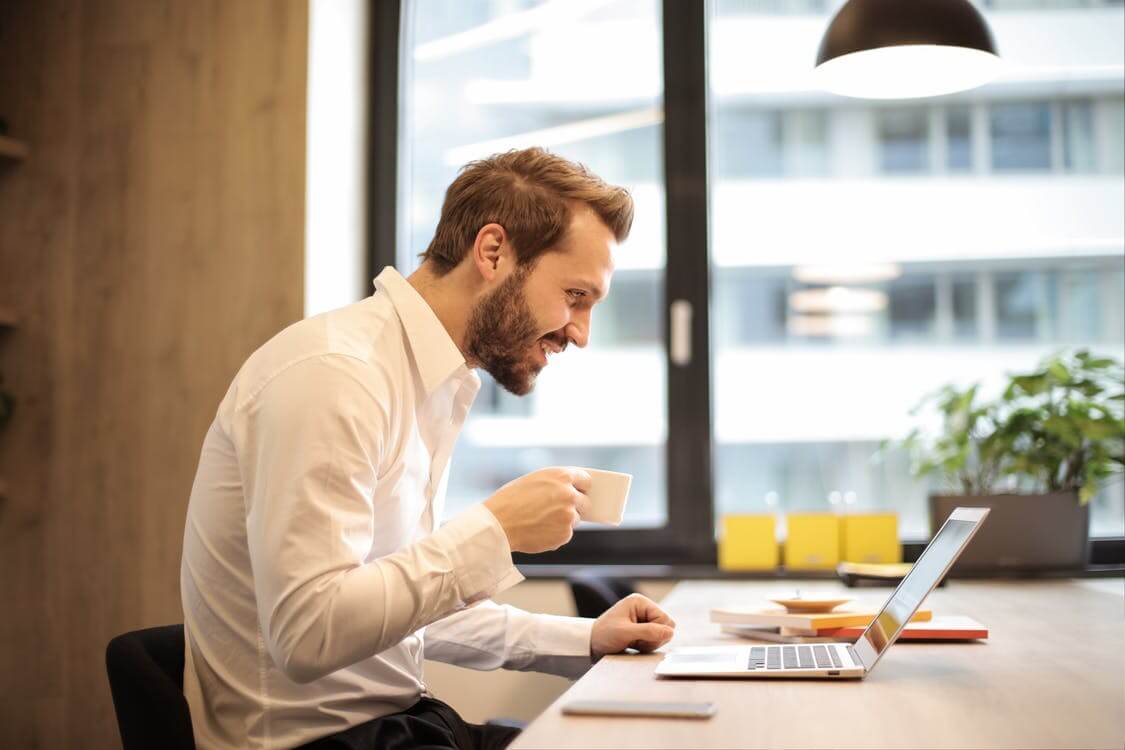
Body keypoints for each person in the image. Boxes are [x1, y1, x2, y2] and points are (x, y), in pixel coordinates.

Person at [180, 147, 677, 750]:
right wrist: (493, 531)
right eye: (575, 296)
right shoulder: (336, 375)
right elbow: (308, 634)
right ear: (492, 253)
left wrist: (585, 639)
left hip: (397, 728)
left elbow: (398, 611)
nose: (580, 332)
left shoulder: (431, 381)